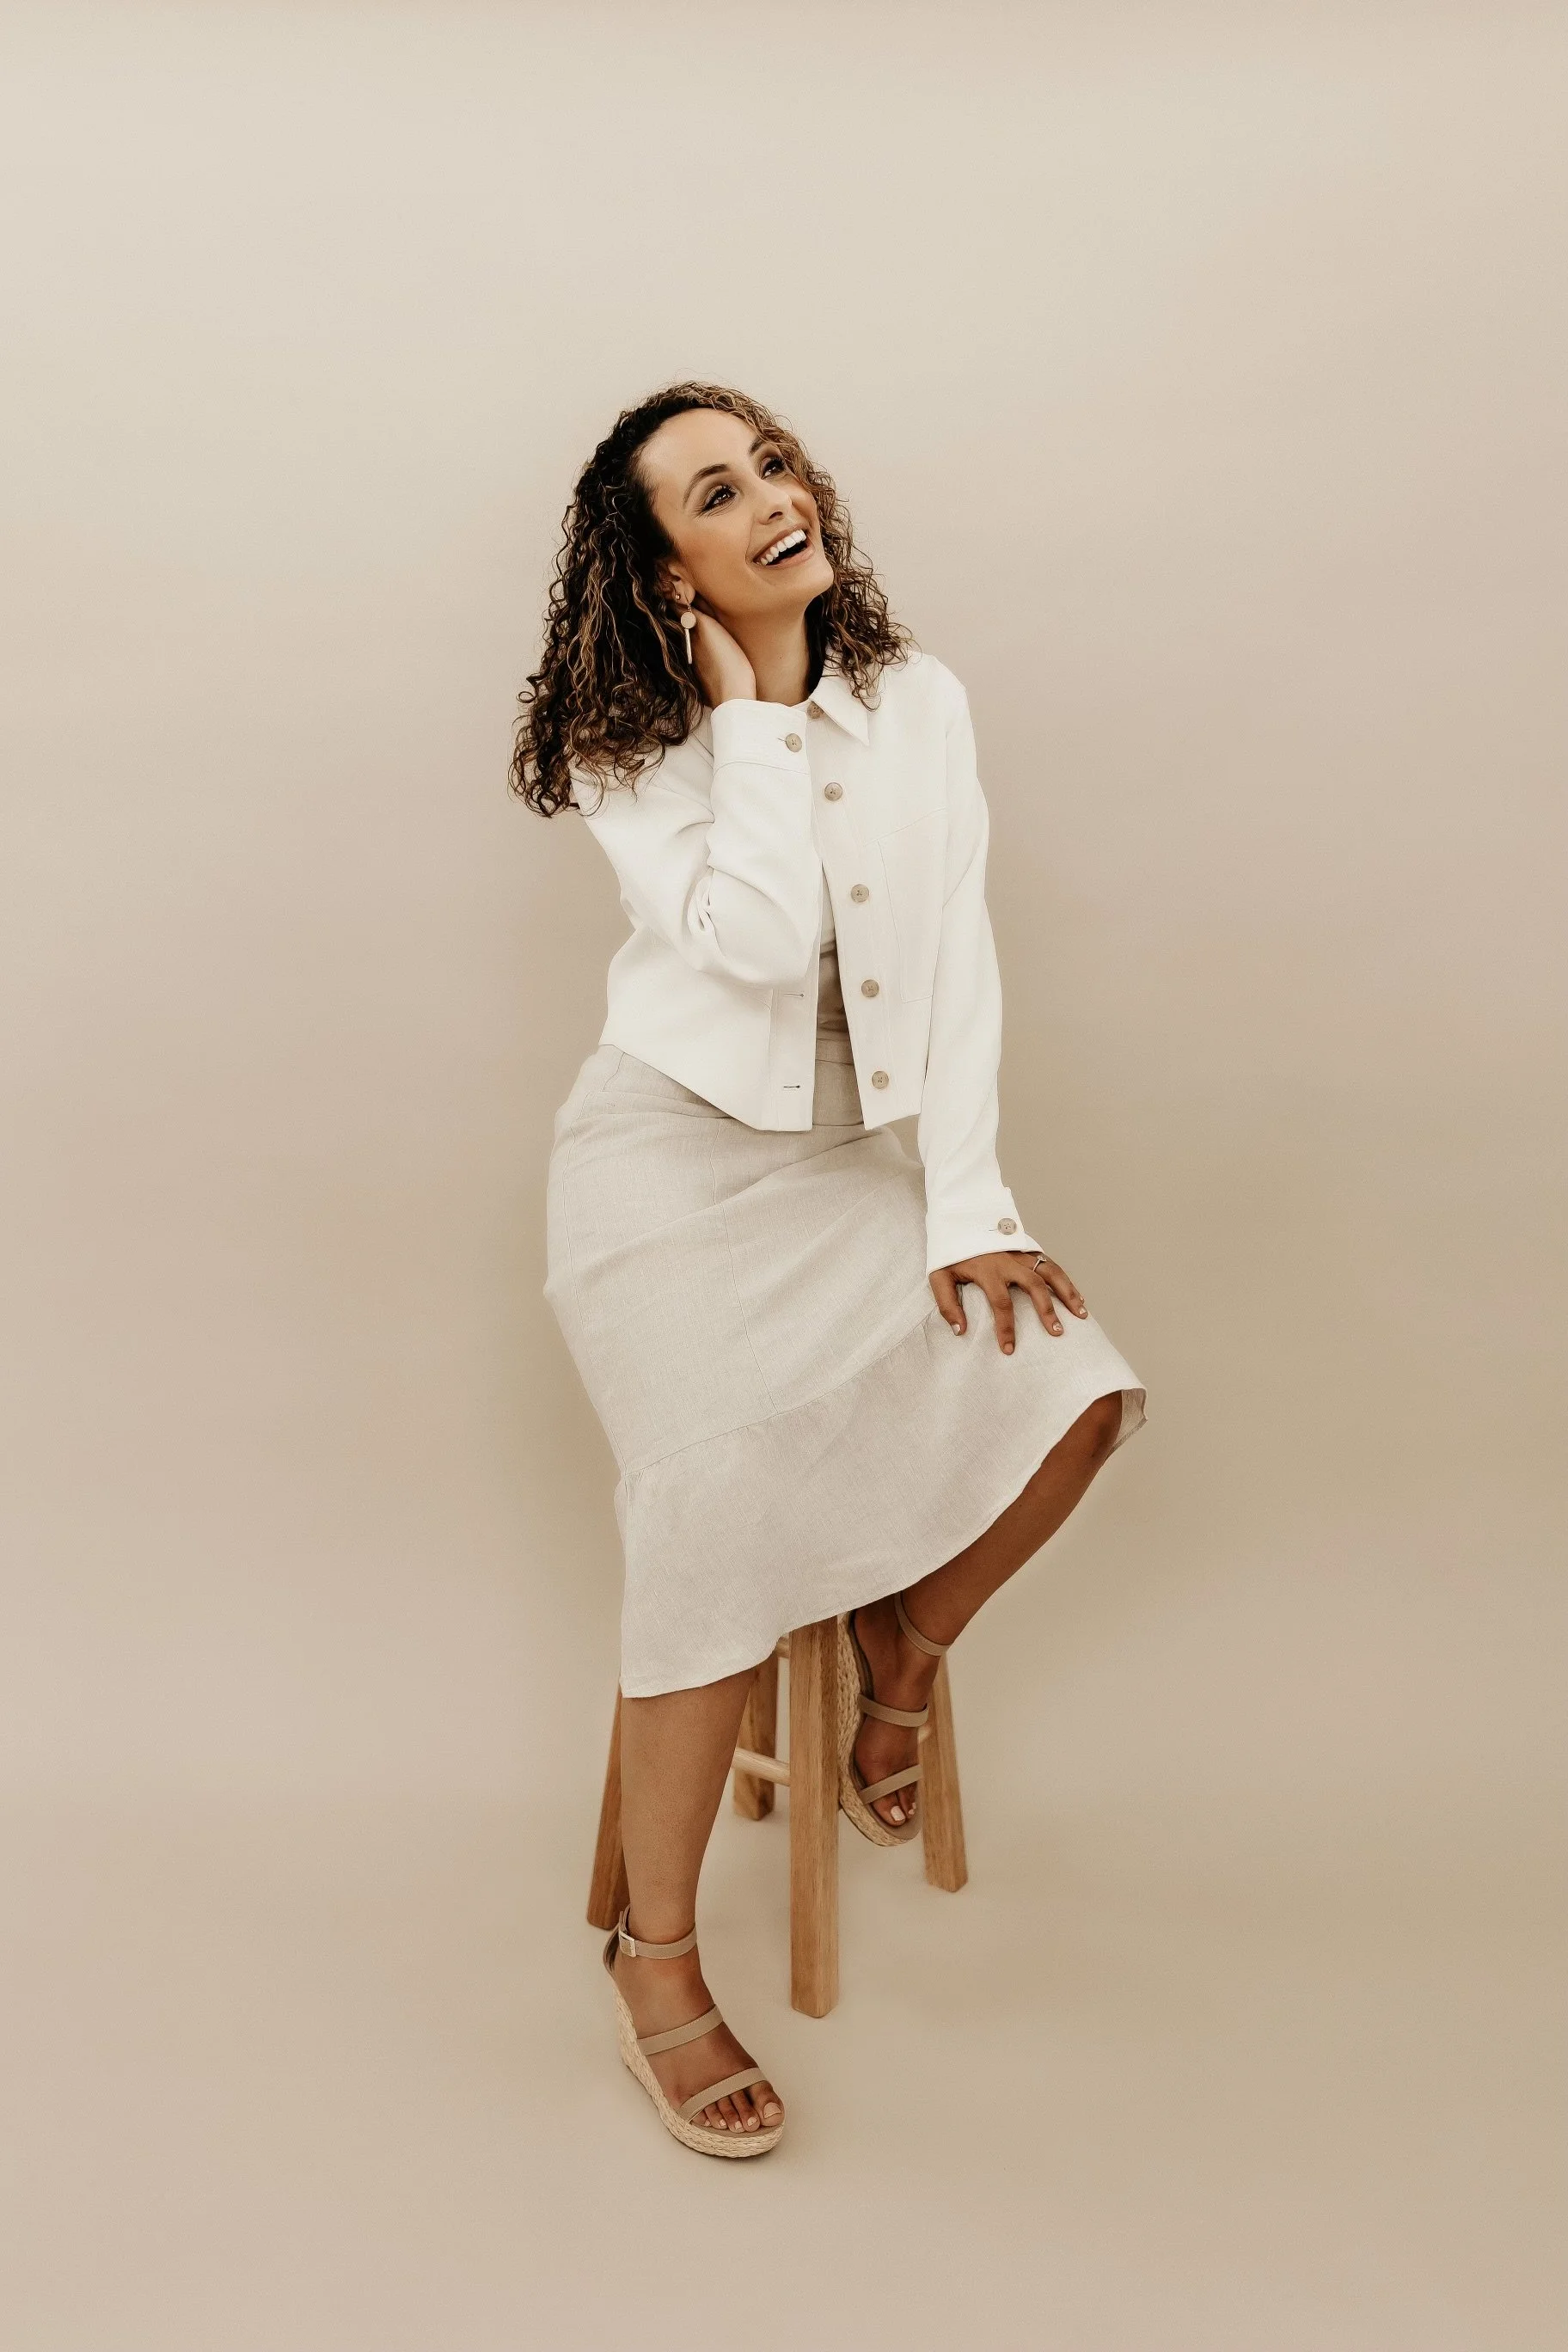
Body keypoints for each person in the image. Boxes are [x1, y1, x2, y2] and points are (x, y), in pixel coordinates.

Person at [512, 382, 1148, 2159]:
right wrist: (755, 719)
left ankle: (898, 1656)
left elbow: (959, 970)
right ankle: (654, 1959)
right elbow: (755, 940)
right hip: (660, 1177)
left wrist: (969, 1208)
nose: (773, 498)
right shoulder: (629, 746)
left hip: (844, 1169)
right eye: (717, 493)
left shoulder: (921, 700)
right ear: (666, 569)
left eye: (774, 463)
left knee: (1076, 1391)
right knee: (709, 1521)